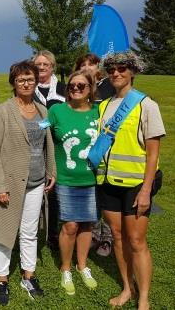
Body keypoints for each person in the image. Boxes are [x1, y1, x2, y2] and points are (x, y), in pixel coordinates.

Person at [95, 52, 165, 310]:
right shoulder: (104, 105)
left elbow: (153, 151)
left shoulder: (146, 104)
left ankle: (143, 298)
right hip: (109, 181)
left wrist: (146, 190)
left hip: (136, 185)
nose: (116, 73)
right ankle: (127, 288)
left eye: (122, 68)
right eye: (111, 69)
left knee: (136, 241)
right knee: (117, 236)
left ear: (133, 71)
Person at [0, 60, 56, 306]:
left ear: (36, 81)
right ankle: (2, 279)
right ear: (14, 83)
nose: (26, 83)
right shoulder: (4, 111)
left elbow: (47, 143)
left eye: (30, 79)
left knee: (29, 231)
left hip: (36, 182)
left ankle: (28, 275)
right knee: (5, 233)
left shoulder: (42, 110)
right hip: (11, 183)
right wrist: (0, 186)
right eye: (20, 80)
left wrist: (51, 170)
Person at [48, 70, 99, 296]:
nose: (76, 89)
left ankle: (83, 265)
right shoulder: (56, 111)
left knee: (87, 224)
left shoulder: (100, 113)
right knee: (70, 225)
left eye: (81, 86)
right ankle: (66, 268)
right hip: (66, 178)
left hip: (93, 179)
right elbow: (38, 129)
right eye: (72, 86)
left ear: (90, 89)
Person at [74, 53, 115, 256]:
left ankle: (107, 237)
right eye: (83, 65)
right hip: (86, 147)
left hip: (106, 148)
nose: (87, 67)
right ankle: (93, 235)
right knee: (92, 196)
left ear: (97, 66)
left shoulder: (109, 86)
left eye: (91, 64)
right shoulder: (79, 86)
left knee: (105, 196)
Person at [32, 50, 65, 251]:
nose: (42, 67)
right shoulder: (28, 86)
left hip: (58, 145)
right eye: (38, 64)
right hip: (34, 145)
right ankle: (32, 231)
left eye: (46, 64)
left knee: (53, 191)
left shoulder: (62, 89)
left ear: (52, 66)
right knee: (34, 188)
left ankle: (52, 232)